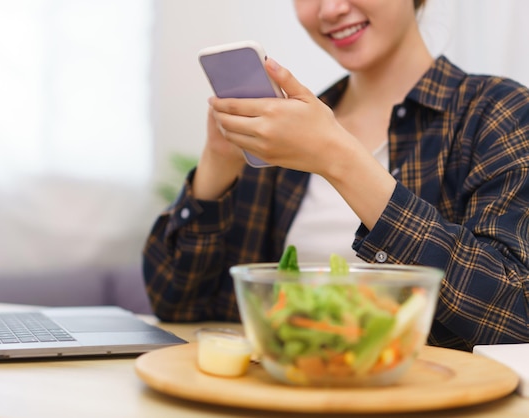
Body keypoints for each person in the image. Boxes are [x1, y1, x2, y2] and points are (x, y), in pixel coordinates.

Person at [142, 0, 529, 352]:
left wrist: (338, 158)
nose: (329, 9)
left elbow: (515, 313)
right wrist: (220, 159)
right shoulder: (287, 130)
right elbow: (177, 303)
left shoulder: (498, 112)